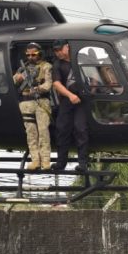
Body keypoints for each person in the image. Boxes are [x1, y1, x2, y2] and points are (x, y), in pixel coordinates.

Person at [13, 42, 54, 171]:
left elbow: (48, 84)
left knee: (43, 132)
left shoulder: (46, 66)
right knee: (31, 133)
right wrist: (18, 78)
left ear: (39, 53)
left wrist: (37, 89)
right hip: (26, 102)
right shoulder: (22, 68)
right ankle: (35, 160)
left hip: (41, 101)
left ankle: (45, 160)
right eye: (28, 55)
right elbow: (13, 80)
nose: (30, 57)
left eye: (33, 54)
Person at [51, 38, 90, 172]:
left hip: (82, 101)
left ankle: (83, 163)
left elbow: (93, 73)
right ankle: (61, 163)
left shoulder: (81, 58)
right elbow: (56, 84)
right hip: (67, 101)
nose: (58, 53)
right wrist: (70, 95)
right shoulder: (57, 64)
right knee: (62, 130)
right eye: (56, 51)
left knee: (81, 129)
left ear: (67, 47)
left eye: (60, 49)